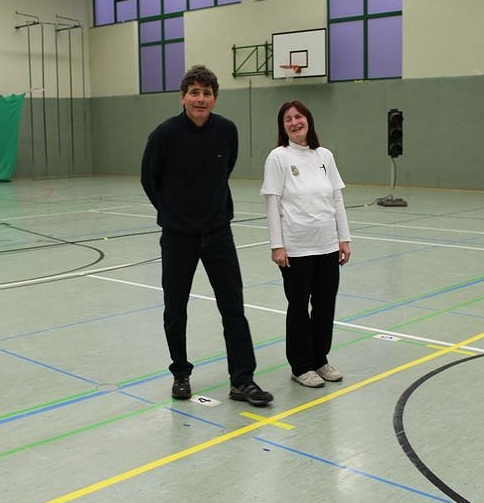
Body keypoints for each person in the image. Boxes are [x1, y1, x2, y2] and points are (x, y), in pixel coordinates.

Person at [141, 65, 273, 407]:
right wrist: (174, 213)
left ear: (215, 98)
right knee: (175, 309)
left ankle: (242, 380)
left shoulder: (226, 130)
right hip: (178, 237)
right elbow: (149, 179)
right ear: (183, 97)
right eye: (194, 92)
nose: (201, 99)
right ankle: (180, 374)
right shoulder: (164, 135)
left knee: (233, 308)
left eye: (207, 93)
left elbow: (225, 169)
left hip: (218, 233)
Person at [260, 100, 352, 388]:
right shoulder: (278, 157)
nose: (294, 122)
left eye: (298, 116)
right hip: (296, 248)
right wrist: (277, 245)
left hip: (327, 245)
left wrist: (344, 238)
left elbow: (336, 198)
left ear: (308, 120)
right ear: (283, 126)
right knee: (298, 307)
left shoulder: (325, 156)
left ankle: (320, 359)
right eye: (288, 119)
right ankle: (300, 366)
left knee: (325, 305)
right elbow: (272, 203)